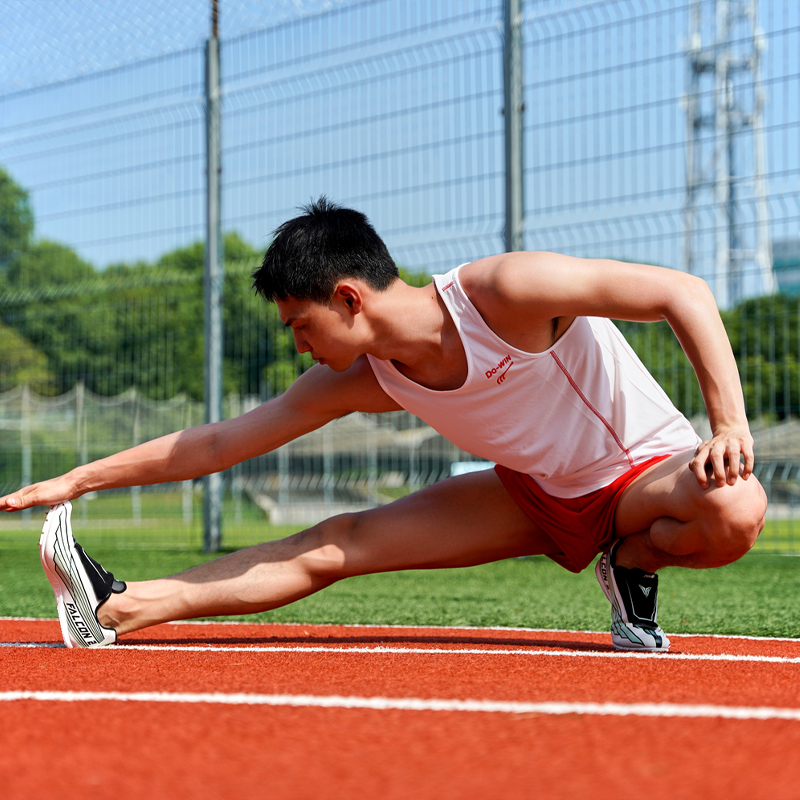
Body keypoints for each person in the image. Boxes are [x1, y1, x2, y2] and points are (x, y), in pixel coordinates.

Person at [2, 198, 767, 652]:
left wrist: (727, 423)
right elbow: (217, 442)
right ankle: (117, 608)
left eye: (301, 325)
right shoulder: (366, 376)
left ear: (348, 298)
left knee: (737, 507)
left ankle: (630, 560)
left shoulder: (507, 291)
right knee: (337, 543)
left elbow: (684, 292)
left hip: (643, 475)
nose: (299, 344)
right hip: (535, 493)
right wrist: (81, 477)